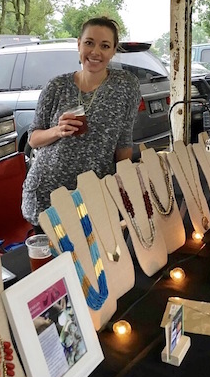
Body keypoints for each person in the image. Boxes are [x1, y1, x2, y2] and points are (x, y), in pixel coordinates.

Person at [22, 16, 141, 229]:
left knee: (97, 257)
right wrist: (57, 131)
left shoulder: (126, 86)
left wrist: (124, 187)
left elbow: (124, 142)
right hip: (48, 192)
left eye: (105, 46)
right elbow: (33, 139)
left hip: (93, 193)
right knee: (55, 260)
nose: (95, 52)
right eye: (89, 43)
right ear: (79, 44)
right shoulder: (56, 86)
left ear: (114, 50)